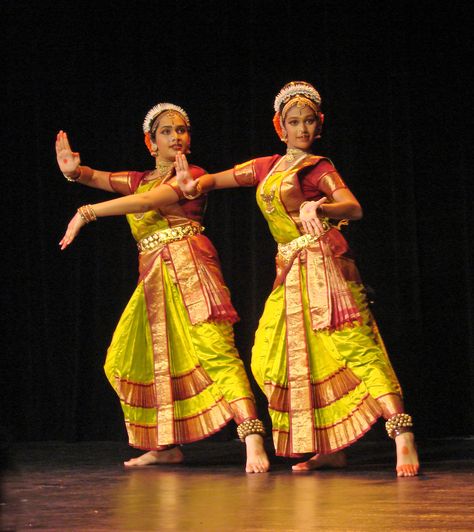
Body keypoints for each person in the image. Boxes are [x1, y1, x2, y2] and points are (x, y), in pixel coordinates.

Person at [174, 82, 420, 477]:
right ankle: (329, 447)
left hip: (328, 267)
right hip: (289, 271)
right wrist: (194, 185)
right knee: (275, 356)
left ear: (318, 125)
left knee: (355, 347)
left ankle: (402, 434)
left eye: (309, 121)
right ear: (280, 127)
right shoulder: (266, 167)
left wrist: (320, 207)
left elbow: (352, 208)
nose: (302, 128)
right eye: (294, 122)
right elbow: (218, 180)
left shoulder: (319, 167)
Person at [56, 102, 269, 473]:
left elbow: (147, 202)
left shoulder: (193, 175)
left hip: (190, 268)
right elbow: (101, 177)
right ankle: (164, 444)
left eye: (182, 130)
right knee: (130, 358)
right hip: (153, 278)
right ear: (150, 142)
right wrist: (76, 173)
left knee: (215, 349)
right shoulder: (139, 178)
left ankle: (252, 438)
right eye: (167, 131)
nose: (177, 137)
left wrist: (87, 212)